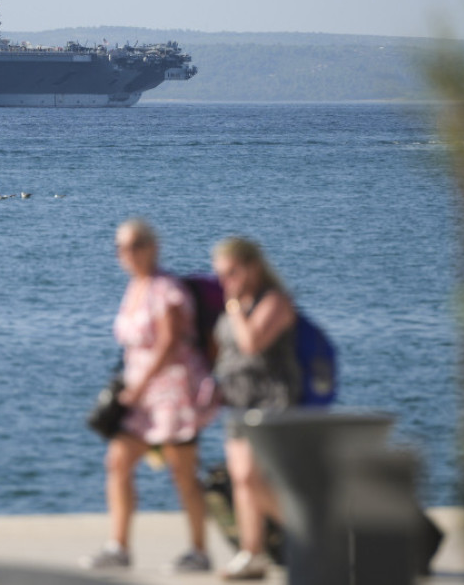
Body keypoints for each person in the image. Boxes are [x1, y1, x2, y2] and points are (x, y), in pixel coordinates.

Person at [81, 219, 216, 573]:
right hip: (140, 396)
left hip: (172, 393)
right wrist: (132, 386)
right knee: (118, 461)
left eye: (135, 244)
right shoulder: (136, 287)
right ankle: (118, 547)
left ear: (153, 247)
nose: (126, 253)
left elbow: (170, 343)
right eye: (121, 247)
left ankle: (199, 551)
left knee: (183, 472)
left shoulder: (166, 289)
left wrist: (139, 387)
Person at [211, 237, 300, 581]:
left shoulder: (274, 301)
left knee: (251, 476)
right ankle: (253, 554)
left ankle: (311, 532)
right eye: (221, 274)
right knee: (242, 480)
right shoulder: (236, 302)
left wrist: (232, 306)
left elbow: (250, 344)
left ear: (253, 267)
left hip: (271, 399)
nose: (226, 281)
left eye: (232, 272)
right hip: (237, 400)